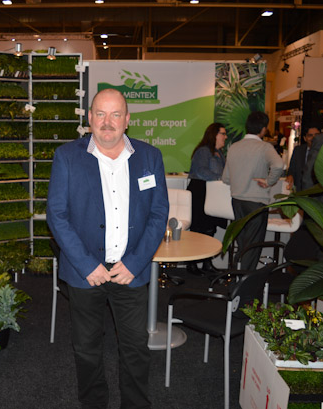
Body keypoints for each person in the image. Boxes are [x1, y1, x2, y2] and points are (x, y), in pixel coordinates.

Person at [46, 88, 169, 409]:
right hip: (85, 273)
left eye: (115, 115)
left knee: (136, 350)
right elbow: (57, 216)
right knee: (86, 350)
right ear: (90, 118)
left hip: (131, 272)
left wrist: (136, 263)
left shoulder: (150, 157)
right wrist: (87, 265)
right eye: (100, 114)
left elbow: (158, 215)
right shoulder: (67, 156)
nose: (107, 122)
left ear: (127, 120)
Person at [222, 111, 284, 270]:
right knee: (253, 246)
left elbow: (226, 178)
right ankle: (244, 282)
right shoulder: (264, 147)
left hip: (237, 201)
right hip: (256, 202)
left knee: (243, 244)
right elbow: (279, 165)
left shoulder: (234, 147)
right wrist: (269, 181)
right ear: (263, 129)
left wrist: (240, 179)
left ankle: (237, 278)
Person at [185, 122, 228, 275]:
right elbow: (200, 171)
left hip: (212, 194)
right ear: (214, 134)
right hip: (200, 192)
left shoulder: (219, 153)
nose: (225, 137)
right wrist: (221, 179)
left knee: (210, 229)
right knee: (198, 230)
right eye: (223, 134)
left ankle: (206, 263)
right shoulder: (203, 151)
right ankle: (191, 264)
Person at [285, 126, 320, 191]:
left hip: (317, 191)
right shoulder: (298, 150)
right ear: (305, 138)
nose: (314, 138)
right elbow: (291, 169)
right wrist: (290, 175)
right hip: (300, 190)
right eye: (310, 135)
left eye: (316, 135)